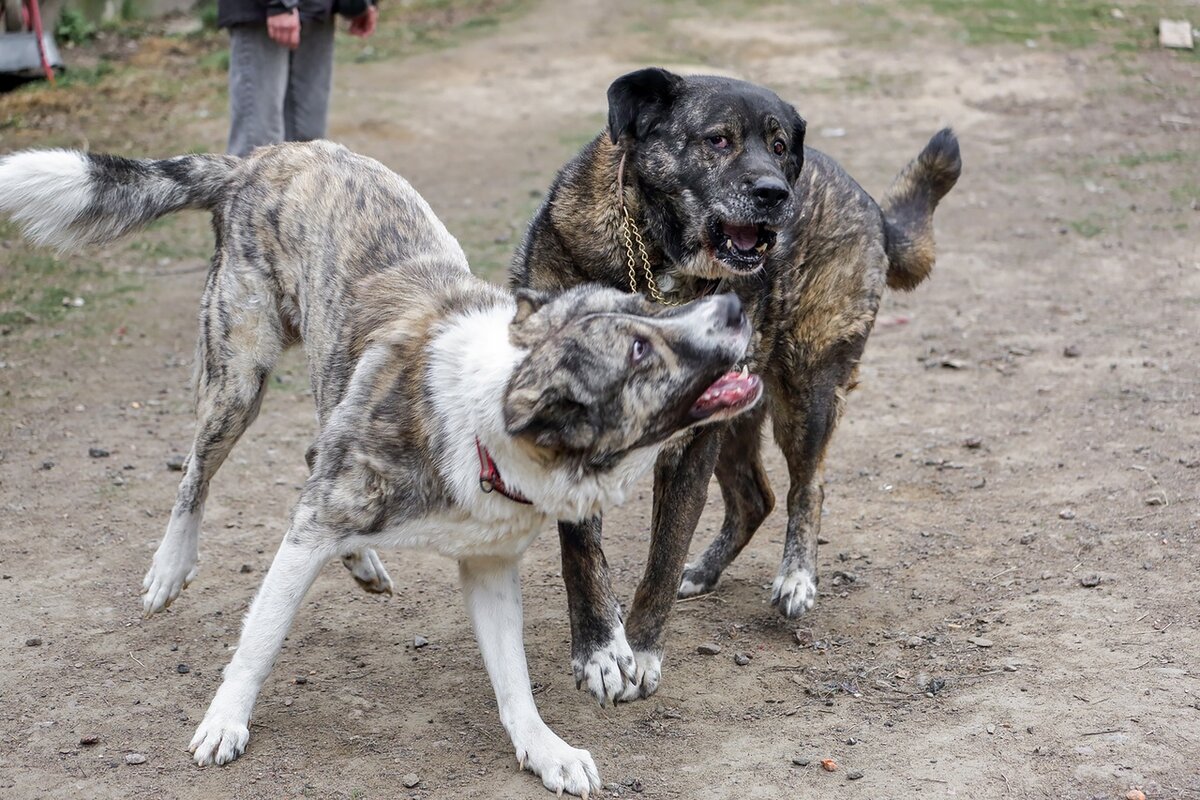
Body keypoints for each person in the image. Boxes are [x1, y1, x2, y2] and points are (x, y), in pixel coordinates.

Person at [217, 0, 378, 157]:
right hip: (262, 12)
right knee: (257, 148)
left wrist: (362, 3)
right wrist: (280, 4)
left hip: (318, 10)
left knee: (310, 148)